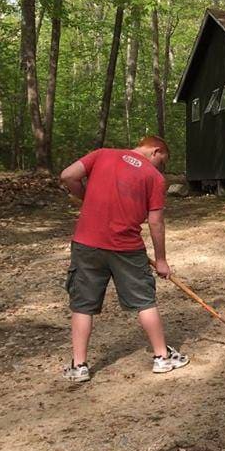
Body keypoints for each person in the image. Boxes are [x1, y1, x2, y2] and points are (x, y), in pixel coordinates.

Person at [59, 135, 189, 382]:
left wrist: (84, 197)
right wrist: (161, 260)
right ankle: (162, 358)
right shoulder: (154, 177)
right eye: (162, 161)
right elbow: (155, 221)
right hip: (127, 248)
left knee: (82, 304)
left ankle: (79, 366)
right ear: (155, 150)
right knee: (144, 301)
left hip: (87, 244)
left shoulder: (102, 154)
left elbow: (67, 175)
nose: (160, 167)